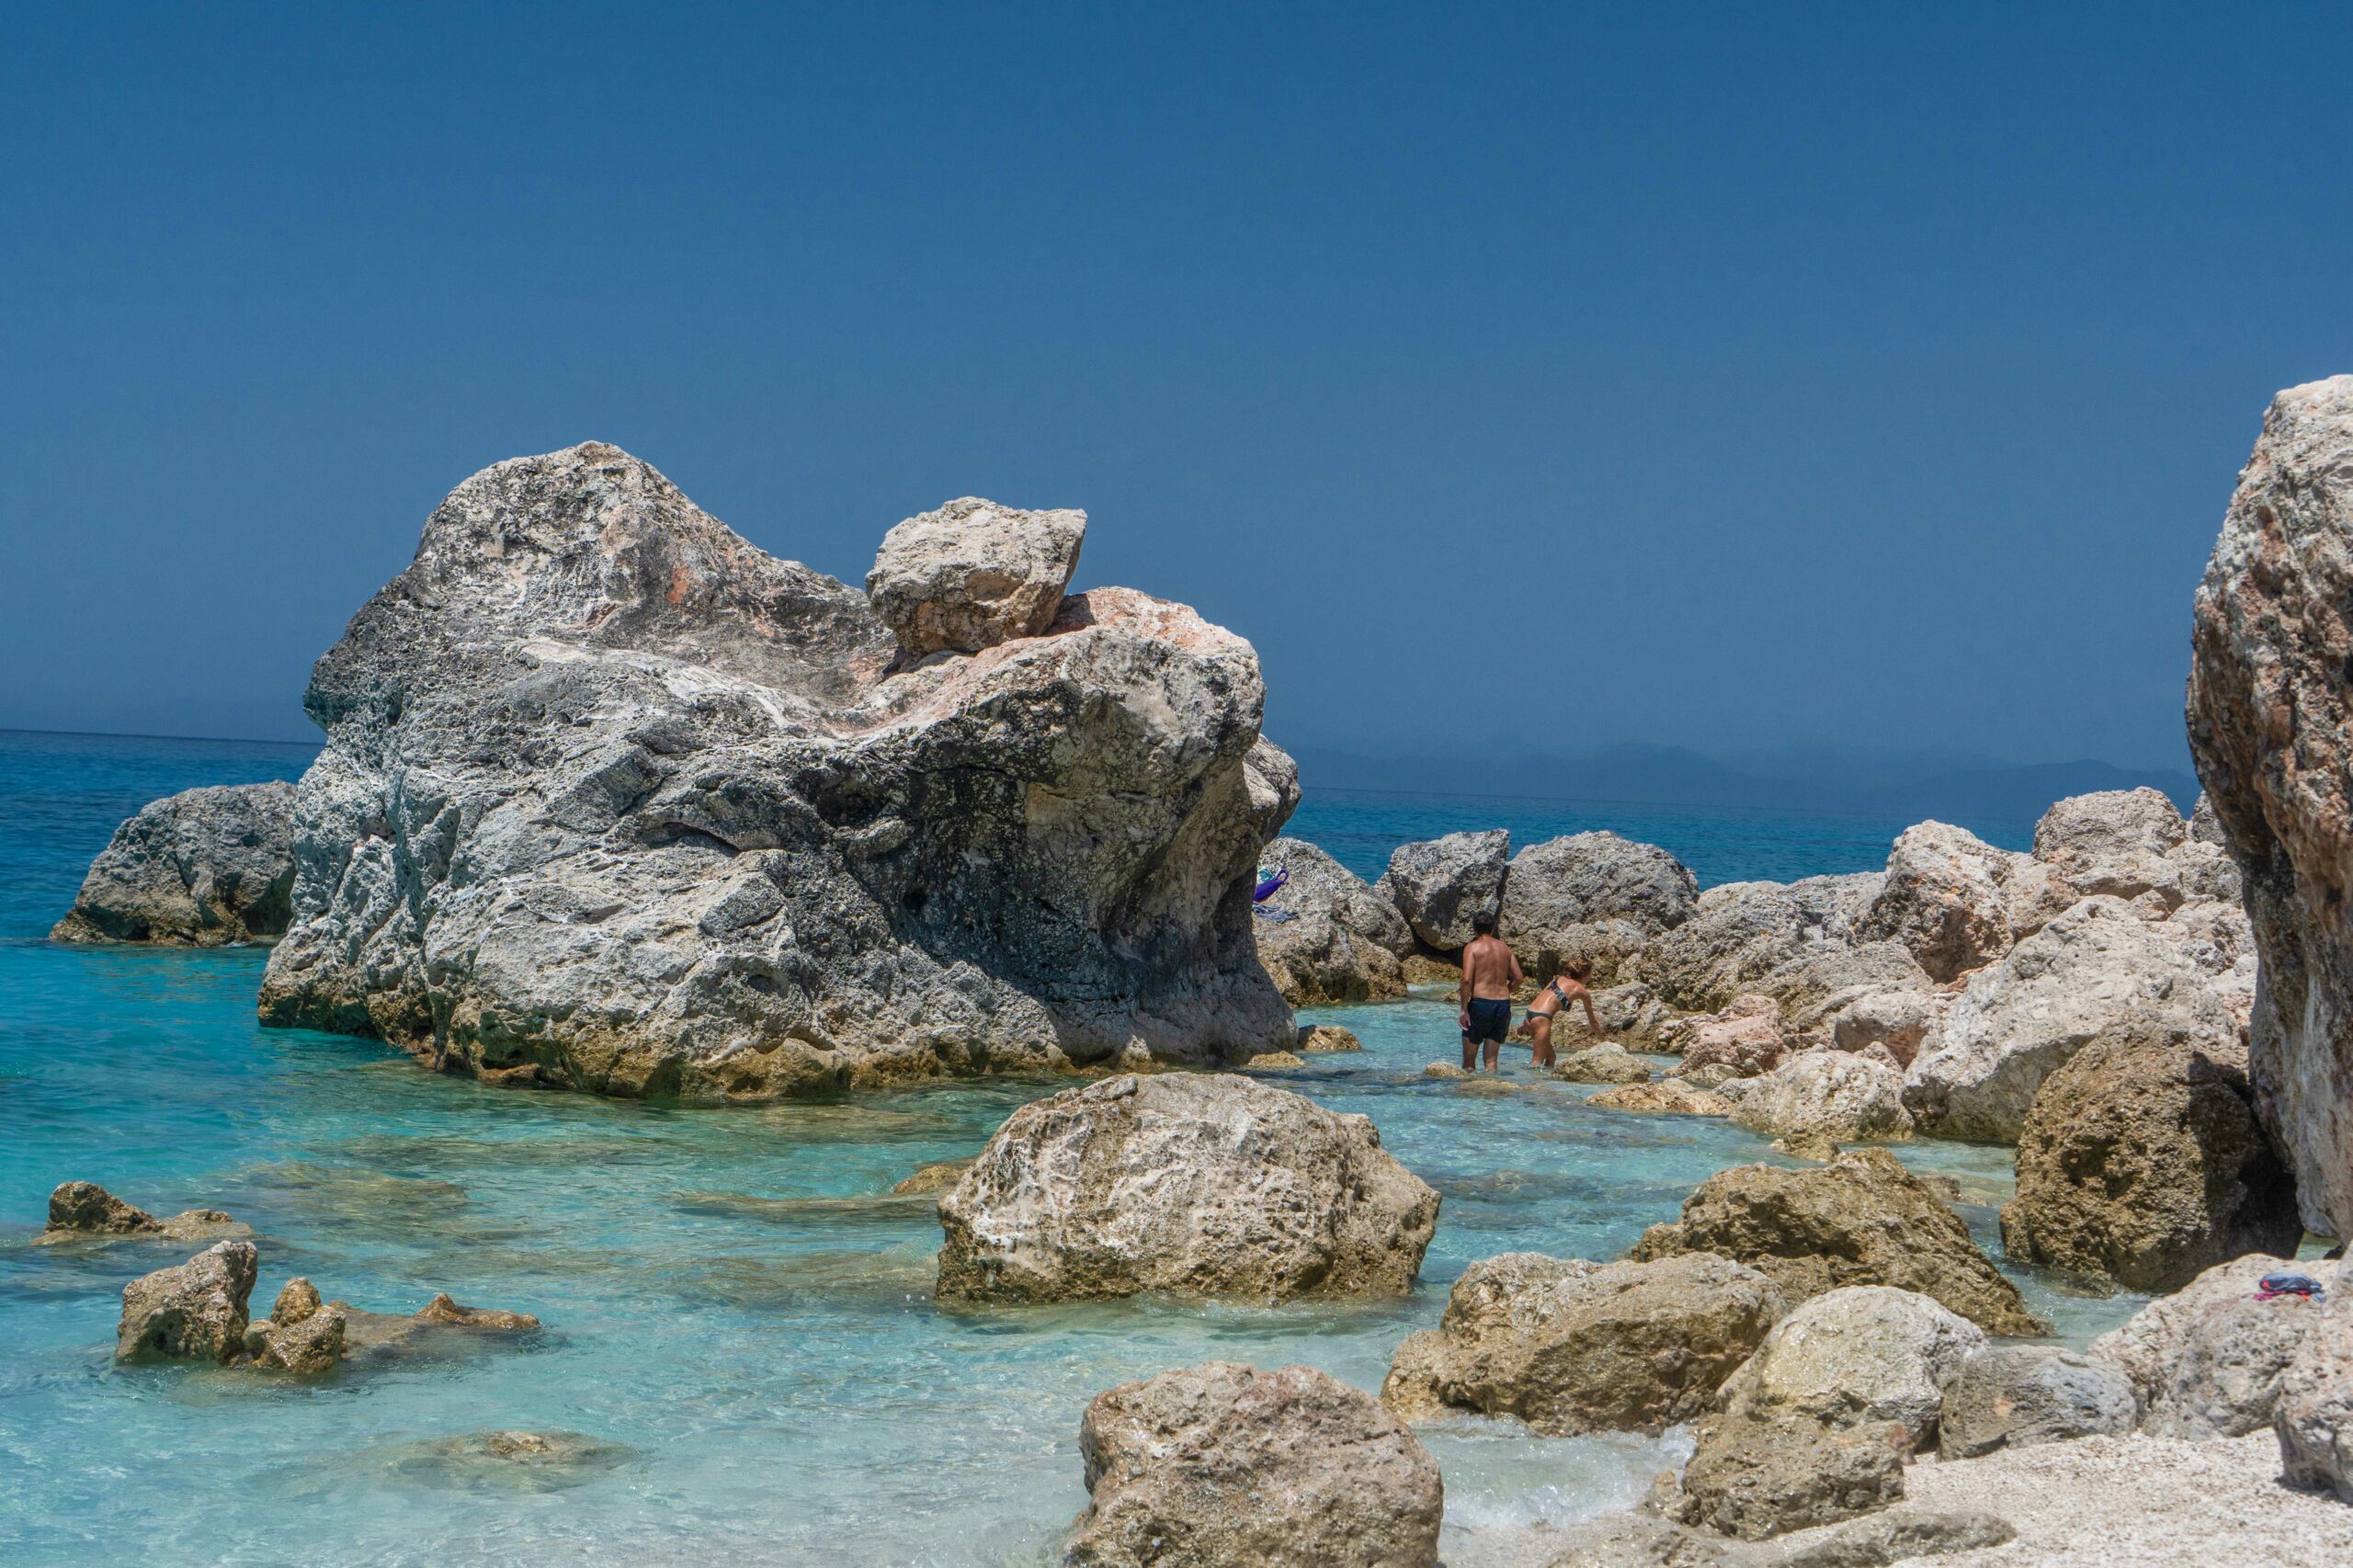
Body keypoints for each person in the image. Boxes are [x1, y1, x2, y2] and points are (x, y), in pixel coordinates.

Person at [1457, 910, 1522, 1071]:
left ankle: (1469, 1087)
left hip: (1480, 1004)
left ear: (1474, 929)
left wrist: (1464, 1010)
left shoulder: (1472, 948)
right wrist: (1506, 991)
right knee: (1491, 1061)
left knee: (1469, 1061)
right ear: (1493, 928)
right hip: (1503, 1005)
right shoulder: (1505, 948)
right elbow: (1519, 978)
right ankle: (1491, 1087)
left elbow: (1466, 979)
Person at [1523, 960, 1601, 1070]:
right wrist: (1603, 1041)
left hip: (1529, 1015)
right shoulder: (1580, 990)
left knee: (1551, 1058)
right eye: (1590, 974)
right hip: (1542, 1019)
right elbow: (1593, 1022)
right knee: (1536, 1064)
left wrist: (1524, 1025)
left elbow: (1541, 998)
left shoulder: (1557, 978)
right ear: (1585, 975)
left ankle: (1546, 1079)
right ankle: (1533, 1081)